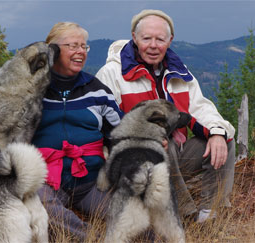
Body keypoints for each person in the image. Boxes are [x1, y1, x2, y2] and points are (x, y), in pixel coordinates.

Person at [95, 9, 236, 223]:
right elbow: (104, 124)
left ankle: (211, 214)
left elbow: (200, 109)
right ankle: (184, 213)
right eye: (147, 38)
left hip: (176, 159)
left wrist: (217, 132)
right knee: (161, 142)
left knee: (224, 139)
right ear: (134, 37)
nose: (153, 45)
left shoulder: (179, 73)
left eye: (160, 39)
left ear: (170, 40)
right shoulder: (112, 73)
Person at [30, 22, 123, 240]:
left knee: (132, 216)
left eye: (84, 47)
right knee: (40, 205)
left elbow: (120, 132)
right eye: (73, 46)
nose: (80, 51)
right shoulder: (33, 87)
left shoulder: (97, 90)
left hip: (91, 181)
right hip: (46, 179)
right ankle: (91, 238)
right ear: (52, 50)